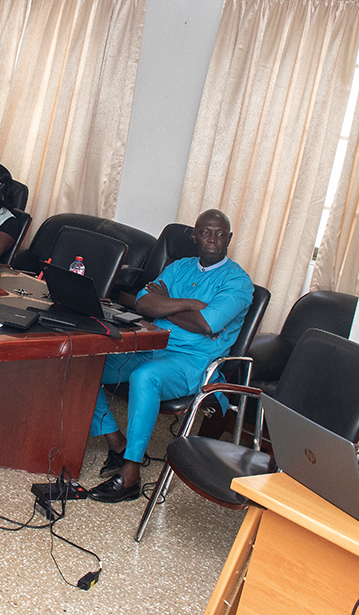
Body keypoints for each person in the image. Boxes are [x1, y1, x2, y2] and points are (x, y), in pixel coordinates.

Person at [88, 209, 253, 503]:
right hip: (153, 346)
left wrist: (164, 304)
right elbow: (143, 303)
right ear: (194, 236)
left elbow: (206, 325)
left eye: (220, 234)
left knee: (145, 377)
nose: (212, 239)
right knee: (86, 364)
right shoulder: (179, 267)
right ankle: (116, 442)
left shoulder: (238, 281)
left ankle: (131, 472)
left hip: (193, 362)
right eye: (205, 232)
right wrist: (190, 304)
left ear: (229, 238)